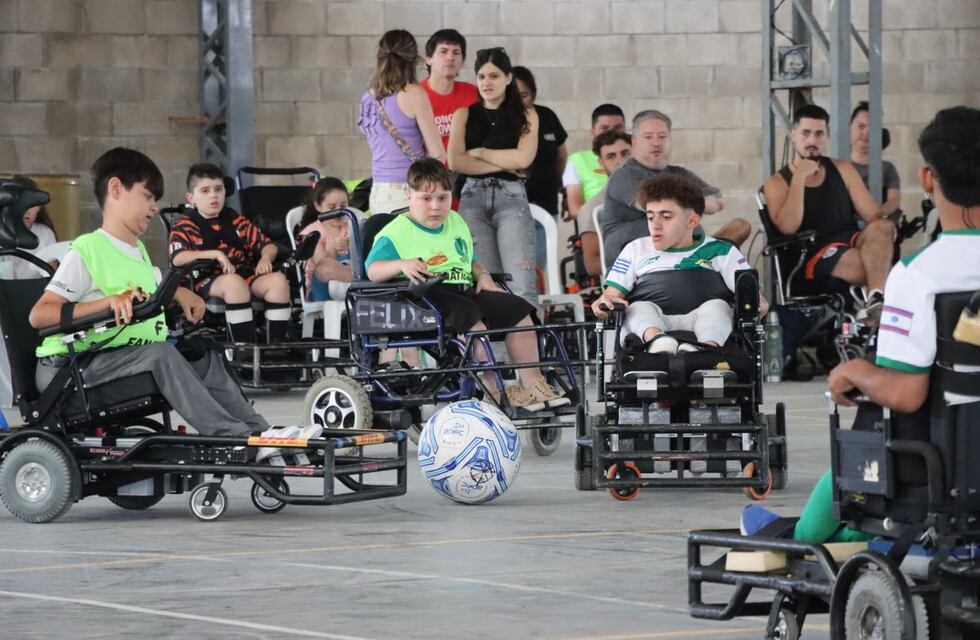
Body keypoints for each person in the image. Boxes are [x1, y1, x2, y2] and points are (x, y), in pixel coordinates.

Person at [742, 106, 980, 543]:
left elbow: (906, 394)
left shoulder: (918, 274)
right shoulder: (783, 180)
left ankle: (801, 540)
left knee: (870, 425)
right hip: (813, 261)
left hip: (946, 463)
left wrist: (852, 371)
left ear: (927, 180)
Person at [27, 147, 310, 461]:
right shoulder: (88, 249)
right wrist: (108, 303)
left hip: (115, 360)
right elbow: (41, 315)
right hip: (69, 372)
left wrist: (177, 292)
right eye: (148, 196)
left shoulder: (137, 251)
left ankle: (261, 431)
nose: (154, 206)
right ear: (116, 189)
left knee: (204, 353)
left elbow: (145, 290)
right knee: (161, 355)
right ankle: (235, 438)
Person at [364, 158, 569, 411]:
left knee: (520, 311)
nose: (435, 206)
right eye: (426, 199)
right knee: (475, 323)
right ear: (408, 195)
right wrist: (401, 264)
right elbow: (372, 271)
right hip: (426, 294)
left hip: (465, 289)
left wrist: (483, 275)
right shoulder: (395, 232)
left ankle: (533, 386)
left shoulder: (455, 221)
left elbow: (470, 259)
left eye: (442, 197)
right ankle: (492, 391)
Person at [592, 174, 767, 354]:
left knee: (718, 307)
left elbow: (752, 294)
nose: (655, 225)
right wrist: (604, 302)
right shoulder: (635, 249)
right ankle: (658, 343)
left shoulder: (721, 250)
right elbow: (611, 297)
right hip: (651, 326)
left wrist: (758, 303)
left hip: (704, 322)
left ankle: (706, 351)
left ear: (692, 221)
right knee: (637, 308)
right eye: (650, 217)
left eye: (666, 217)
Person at [762, 104, 893, 322]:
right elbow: (788, 227)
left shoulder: (842, 168)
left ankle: (875, 300)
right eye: (805, 133)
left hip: (850, 240)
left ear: (827, 136)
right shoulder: (776, 183)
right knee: (876, 264)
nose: (812, 141)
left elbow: (874, 217)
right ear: (793, 135)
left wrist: (883, 236)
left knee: (884, 227)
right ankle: (876, 307)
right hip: (812, 255)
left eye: (819, 134)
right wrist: (799, 178)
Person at [601, 110, 751, 271]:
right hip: (640, 262)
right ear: (635, 142)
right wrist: (695, 202)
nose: (656, 142)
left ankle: (709, 261)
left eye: (662, 136)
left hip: (687, 253)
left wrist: (691, 202)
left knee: (740, 226)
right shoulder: (624, 175)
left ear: (670, 140)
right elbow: (652, 205)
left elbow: (718, 201)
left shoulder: (679, 173)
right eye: (648, 137)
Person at [448, 47, 540, 307]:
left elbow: (523, 159)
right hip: (472, 198)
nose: (486, 83)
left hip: (510, 197)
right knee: (484, 282)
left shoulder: (527, 114)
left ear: (508, 78)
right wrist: (502, 163)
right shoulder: (464, 114)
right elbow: (456, 161)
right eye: (481, 76)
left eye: (494, 76)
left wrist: (480, 153)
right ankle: (493, 349)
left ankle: (528, 347)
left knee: (519, 282)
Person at [168, 163, 291, 345]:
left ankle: (275, 348)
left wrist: (265, 258)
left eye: (218, 189)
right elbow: (178, 257)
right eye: (205, 191)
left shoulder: (235, 221)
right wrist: (216, 254)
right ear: (191, 197)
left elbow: (268, 245)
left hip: (243, 275)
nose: (213, 195)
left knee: (278, 281)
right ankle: (243, 349)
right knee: (235, 283)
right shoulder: (185, 226)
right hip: (204, 281)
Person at [359, 29, 445, 215]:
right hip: (408, 192)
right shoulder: (414, 93)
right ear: (414, 59)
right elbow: (438, 155)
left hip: (378, 192)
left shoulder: (368, 97)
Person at [578, 130, 632, 277]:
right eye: (611, 156)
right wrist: (639, 260)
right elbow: (593, 265)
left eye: (625, 153)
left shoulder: (657, 195)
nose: (620, 161)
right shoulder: (592, 208)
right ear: (601, 163)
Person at [563, 104, 626, 221]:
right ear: (593, 131)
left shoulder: (636, 156)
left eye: (618, 127)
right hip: (596, 224)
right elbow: (575, 209)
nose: (612, 133)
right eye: (605, 128)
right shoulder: (577, 160)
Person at [420, 28, 479, 151]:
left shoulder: (473, 93)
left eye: (456, 53)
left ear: (463, 61)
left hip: (465, 167)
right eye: (443, 51)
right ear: (428, 59)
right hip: (430, 168)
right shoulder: (415, 95)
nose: (450, 57)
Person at [296, 177, 353, 303]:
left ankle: (363, 285)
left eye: (343, 206)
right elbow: (322, 265)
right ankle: (364, 285)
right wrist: (333, 248)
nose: (338, 211)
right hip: (322, 290)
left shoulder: (351, 226)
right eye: (332, 207)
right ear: (318, 206)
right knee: (325, 267)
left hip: (348, 283)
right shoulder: (311, 233)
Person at [0, 175, 59, 279]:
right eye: (19, 203)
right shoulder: (2, 234)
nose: (26, 210)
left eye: (31, 204)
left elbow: (52, 274)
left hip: (38, 290)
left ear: (39, 207)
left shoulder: (45, 233)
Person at [849, 101, 901, 217]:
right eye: (861, 126)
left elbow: (894, 200)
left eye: (873, 128)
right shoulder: (838, 165)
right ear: (849, 127)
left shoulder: (887, 168)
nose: (866, 132)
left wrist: (874, 217)